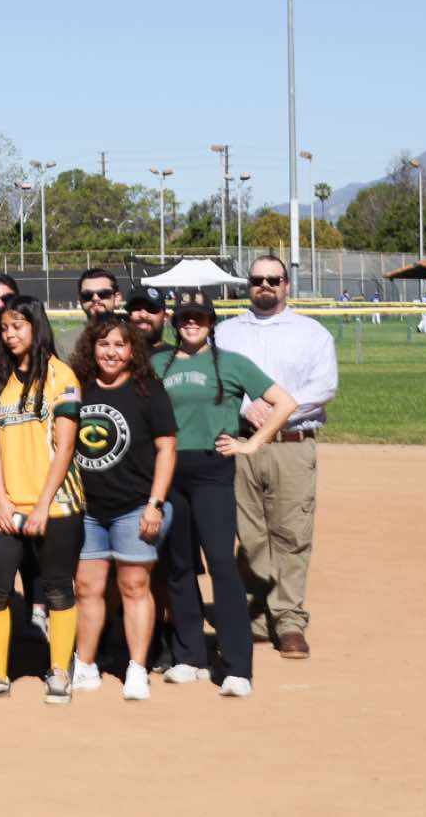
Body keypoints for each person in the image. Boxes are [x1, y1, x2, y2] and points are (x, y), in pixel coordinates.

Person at [156, 292, 296, 697]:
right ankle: (190, 657)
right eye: (184, 318)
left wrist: (252, 443)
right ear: (175, 323)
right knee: (179, 566)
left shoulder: (232, 363)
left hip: (212, 469)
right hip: (169, 470)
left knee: (220, 562)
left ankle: (237, 666)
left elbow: (284, 402)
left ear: (211, 323)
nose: (191, 324)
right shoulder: (158, 364)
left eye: (199, 318)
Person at [218, 255, 337, 661]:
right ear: (248, 285)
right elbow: (217, 381)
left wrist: (277, 411)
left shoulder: (312, 332)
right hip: (241, 441)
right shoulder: (226, 332)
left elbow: (324, 387)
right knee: (249, 534)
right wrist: (245, 407)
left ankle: (288, 620)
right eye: (257, 279)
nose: (265, 285)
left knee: (292, 533)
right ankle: (255, 616)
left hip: (291, 444)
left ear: (287, 284)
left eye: (274, 279)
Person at [0, 297, 83, 705]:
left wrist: (41, 506)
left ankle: (60, 671)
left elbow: (66, 446)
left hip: (55, 505)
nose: (9, 334)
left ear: (37, 327)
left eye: (17, 326)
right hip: (9, 506)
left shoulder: (60, 375)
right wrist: (1, 500)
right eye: (4, 328)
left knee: (57, 590)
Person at [69, 314, 177, 701]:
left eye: (120, 344)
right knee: (88, 587)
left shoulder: (148, 389)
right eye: (103, 344)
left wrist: (155, 504)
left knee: (133, 586)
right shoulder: (78, 387)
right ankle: (85, 664)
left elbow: (167, 448)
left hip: (134, 506)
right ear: (91, 348)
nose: (111, 352)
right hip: (88, 508)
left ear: (132, 350)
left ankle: (137, 667)